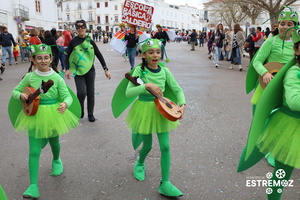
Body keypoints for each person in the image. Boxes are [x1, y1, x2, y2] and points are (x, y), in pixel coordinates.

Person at [114, 38, 186, 197]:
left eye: (158, 52)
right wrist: (145, 85)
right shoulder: (139, 71)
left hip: (162, 110)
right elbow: (128, 93)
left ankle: (165, 182)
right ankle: (140, 162)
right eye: (151, 52)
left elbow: (177, 89)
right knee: (147, 145)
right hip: (144, 110)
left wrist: (182, 104)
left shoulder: (165, 71)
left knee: (165, 146)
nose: (155, 55)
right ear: (144, 55)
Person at [9, 43, 80, 199]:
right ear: (34, 60)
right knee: (34, 151)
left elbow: (67, 95)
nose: (43, 61)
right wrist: (20, 95)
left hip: (53, 113)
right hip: (34, 114)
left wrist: (65, 103)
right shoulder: (30, 77)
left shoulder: (57, 77)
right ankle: (33, 186)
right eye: (39, 58)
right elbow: (15, 91)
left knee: (54, 142)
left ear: (51, 59)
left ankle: (56, 159)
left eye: (46, 57)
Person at [238, 26, 300, 200]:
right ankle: (265, 148)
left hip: (281, 93)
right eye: (284, 23)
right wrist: (265, 72)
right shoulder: (273, 44)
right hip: (271, 93)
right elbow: (257, 61)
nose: (286, 26)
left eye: (290, 23)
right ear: (297, 49)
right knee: (260, 128)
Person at [65, 19, 111, 122]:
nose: (80, 29)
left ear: (86, 28)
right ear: (76, 29)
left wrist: (106, 69)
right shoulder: (73, 42)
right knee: (81, 93)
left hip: (90, 71)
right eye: (78, 28)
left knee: (90, 93)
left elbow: (99, 55)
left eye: (82, 27)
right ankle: (80, 108)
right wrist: (67, 69)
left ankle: (90, 113)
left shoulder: (90, 41)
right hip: (78, 71)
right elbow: (67, 55)